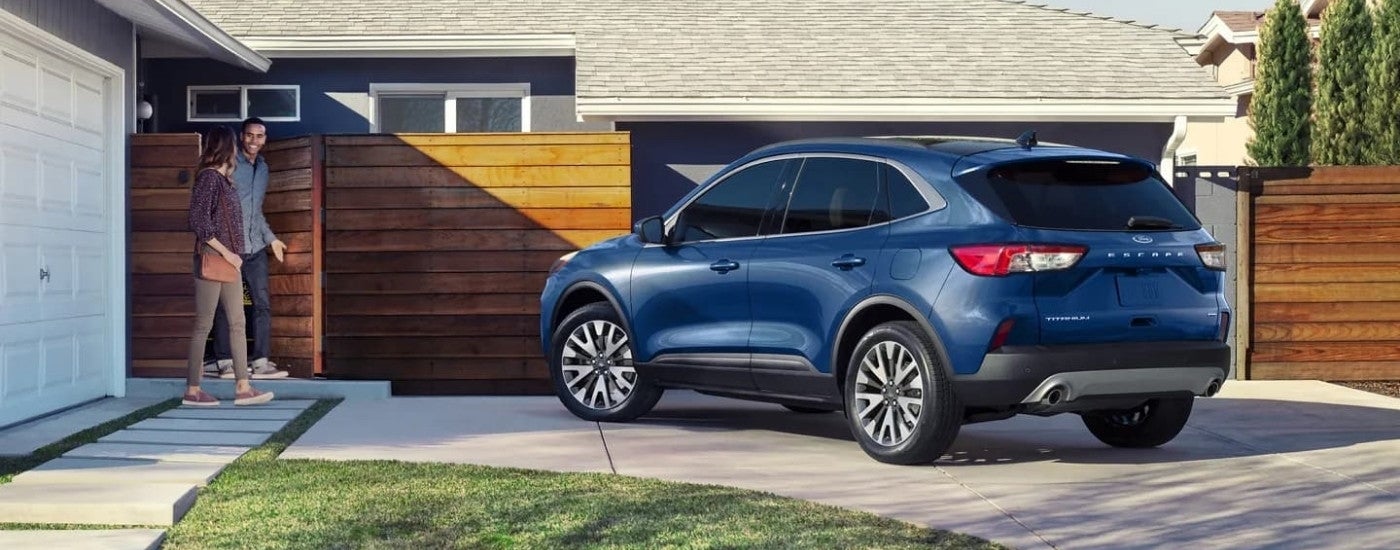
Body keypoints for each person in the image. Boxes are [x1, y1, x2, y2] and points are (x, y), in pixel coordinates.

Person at [184, 126, 274, 407]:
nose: (238, 148)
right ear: (226, 147)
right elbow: (199, 223)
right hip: (213, 256)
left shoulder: (227, 181)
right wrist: (228, 253)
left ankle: (243, 387)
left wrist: (235, 255)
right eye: (234, 143)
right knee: (204, 324)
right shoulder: (209, 178)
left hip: (230, 259)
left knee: (237, 322)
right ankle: (193, 390)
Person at [204, 117, 289, 379]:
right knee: (225, 305)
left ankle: (261, 361)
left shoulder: (263, 169)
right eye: (250, 135)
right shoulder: (228, 164)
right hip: (229, 248)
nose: (254, 141)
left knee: (262, 304)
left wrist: (271, 238)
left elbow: (255, 212)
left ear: (265, 139)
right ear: (242, 137)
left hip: (255, 247)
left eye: (260, 136)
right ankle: (224, 362)